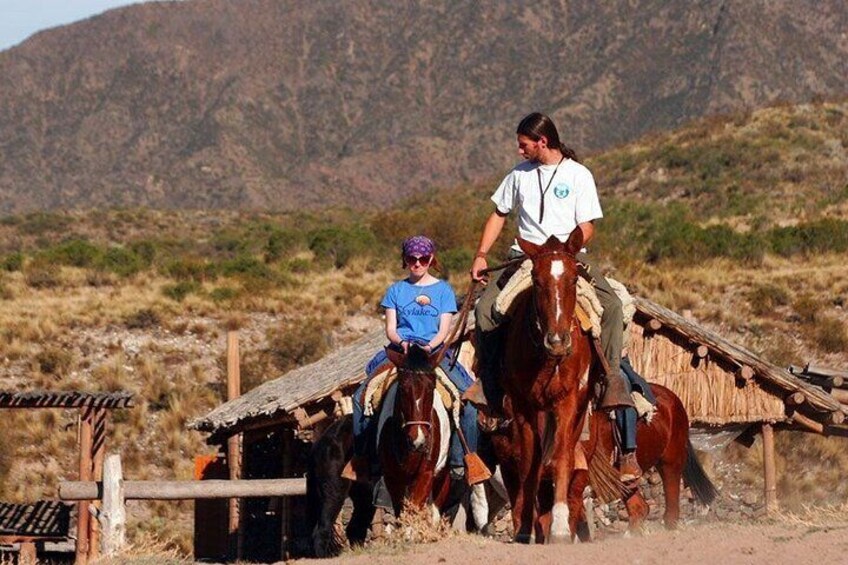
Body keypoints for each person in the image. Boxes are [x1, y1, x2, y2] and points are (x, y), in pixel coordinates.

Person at [468, 112, 641, 482]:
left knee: (610, 306)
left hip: (566, 258)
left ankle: (609, 379)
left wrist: (569, 248)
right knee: (485, 310)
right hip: (526, 257)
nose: (519, 148)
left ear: (542, 141)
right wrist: (482, 254)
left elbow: (588, 223)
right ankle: (492, 386)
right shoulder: (518, 175)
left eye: (523, 143)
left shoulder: (579, 175)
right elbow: (499, 215)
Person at [348, 235, 480, 483]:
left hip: (433, 352)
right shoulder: (396, 290)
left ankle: (464, 459)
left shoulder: (443, 290)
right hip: (403, 351)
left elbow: (445, 329)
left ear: (431, 259)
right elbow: (390, 328)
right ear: (405, 260)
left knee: (470, 401)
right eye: (412, 259)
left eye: (423, 259)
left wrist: (430, 345)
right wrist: (404, 343)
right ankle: (363, 458)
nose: (417, 264)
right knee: (360, 398)